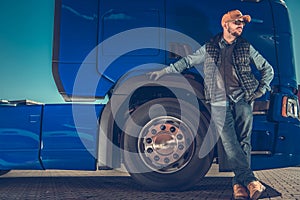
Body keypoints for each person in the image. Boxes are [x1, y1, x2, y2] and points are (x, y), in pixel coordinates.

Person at [148, 10, 274, 200]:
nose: (241, 25)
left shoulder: (246, 47)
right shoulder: (209, 47)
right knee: (229, 142)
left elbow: (267, 69)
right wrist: (164, 72)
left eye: (243, 23)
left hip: (242, 98)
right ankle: (251, 181)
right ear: (225, 25)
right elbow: (188, 61)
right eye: (237, 22)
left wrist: (260, 90)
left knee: (243, 142)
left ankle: (239, 185)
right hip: (218, 100)